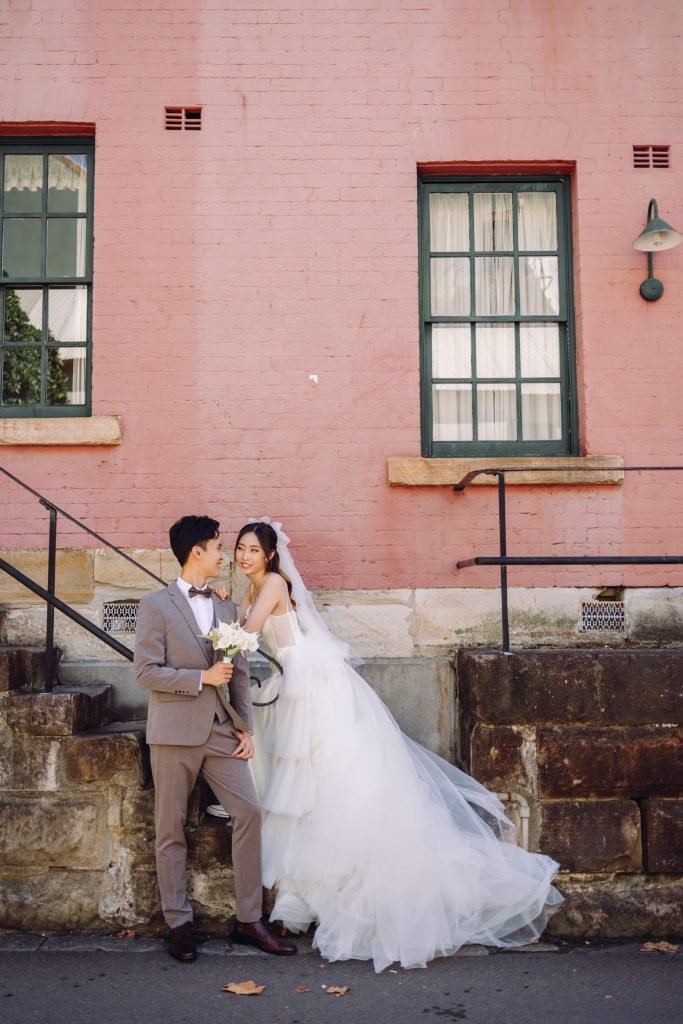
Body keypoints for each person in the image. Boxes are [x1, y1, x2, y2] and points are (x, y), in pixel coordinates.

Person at [227, 518, 563, 973]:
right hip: (292, 680)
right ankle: (295, 900)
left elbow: (244, 636)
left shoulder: (269, 585)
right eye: (239, 548)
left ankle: (305, 899)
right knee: (302, 781)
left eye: (253, 549)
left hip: (308, 681)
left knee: (318, 772)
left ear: (270, 555)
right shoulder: (252, 587)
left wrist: (217, 633)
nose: (244, 555)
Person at [134, 514, 296, 962]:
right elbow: (145, 673)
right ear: (196, 553)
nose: (226, 554)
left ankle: (249, 920)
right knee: (170, 831)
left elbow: (240, 674)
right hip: (172, 733)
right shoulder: (155, 605)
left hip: (221, 731)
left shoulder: (225, 606)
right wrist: (201, 676)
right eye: (219, 547)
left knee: (248, 812)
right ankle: (179, 924)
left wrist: (245, 729)